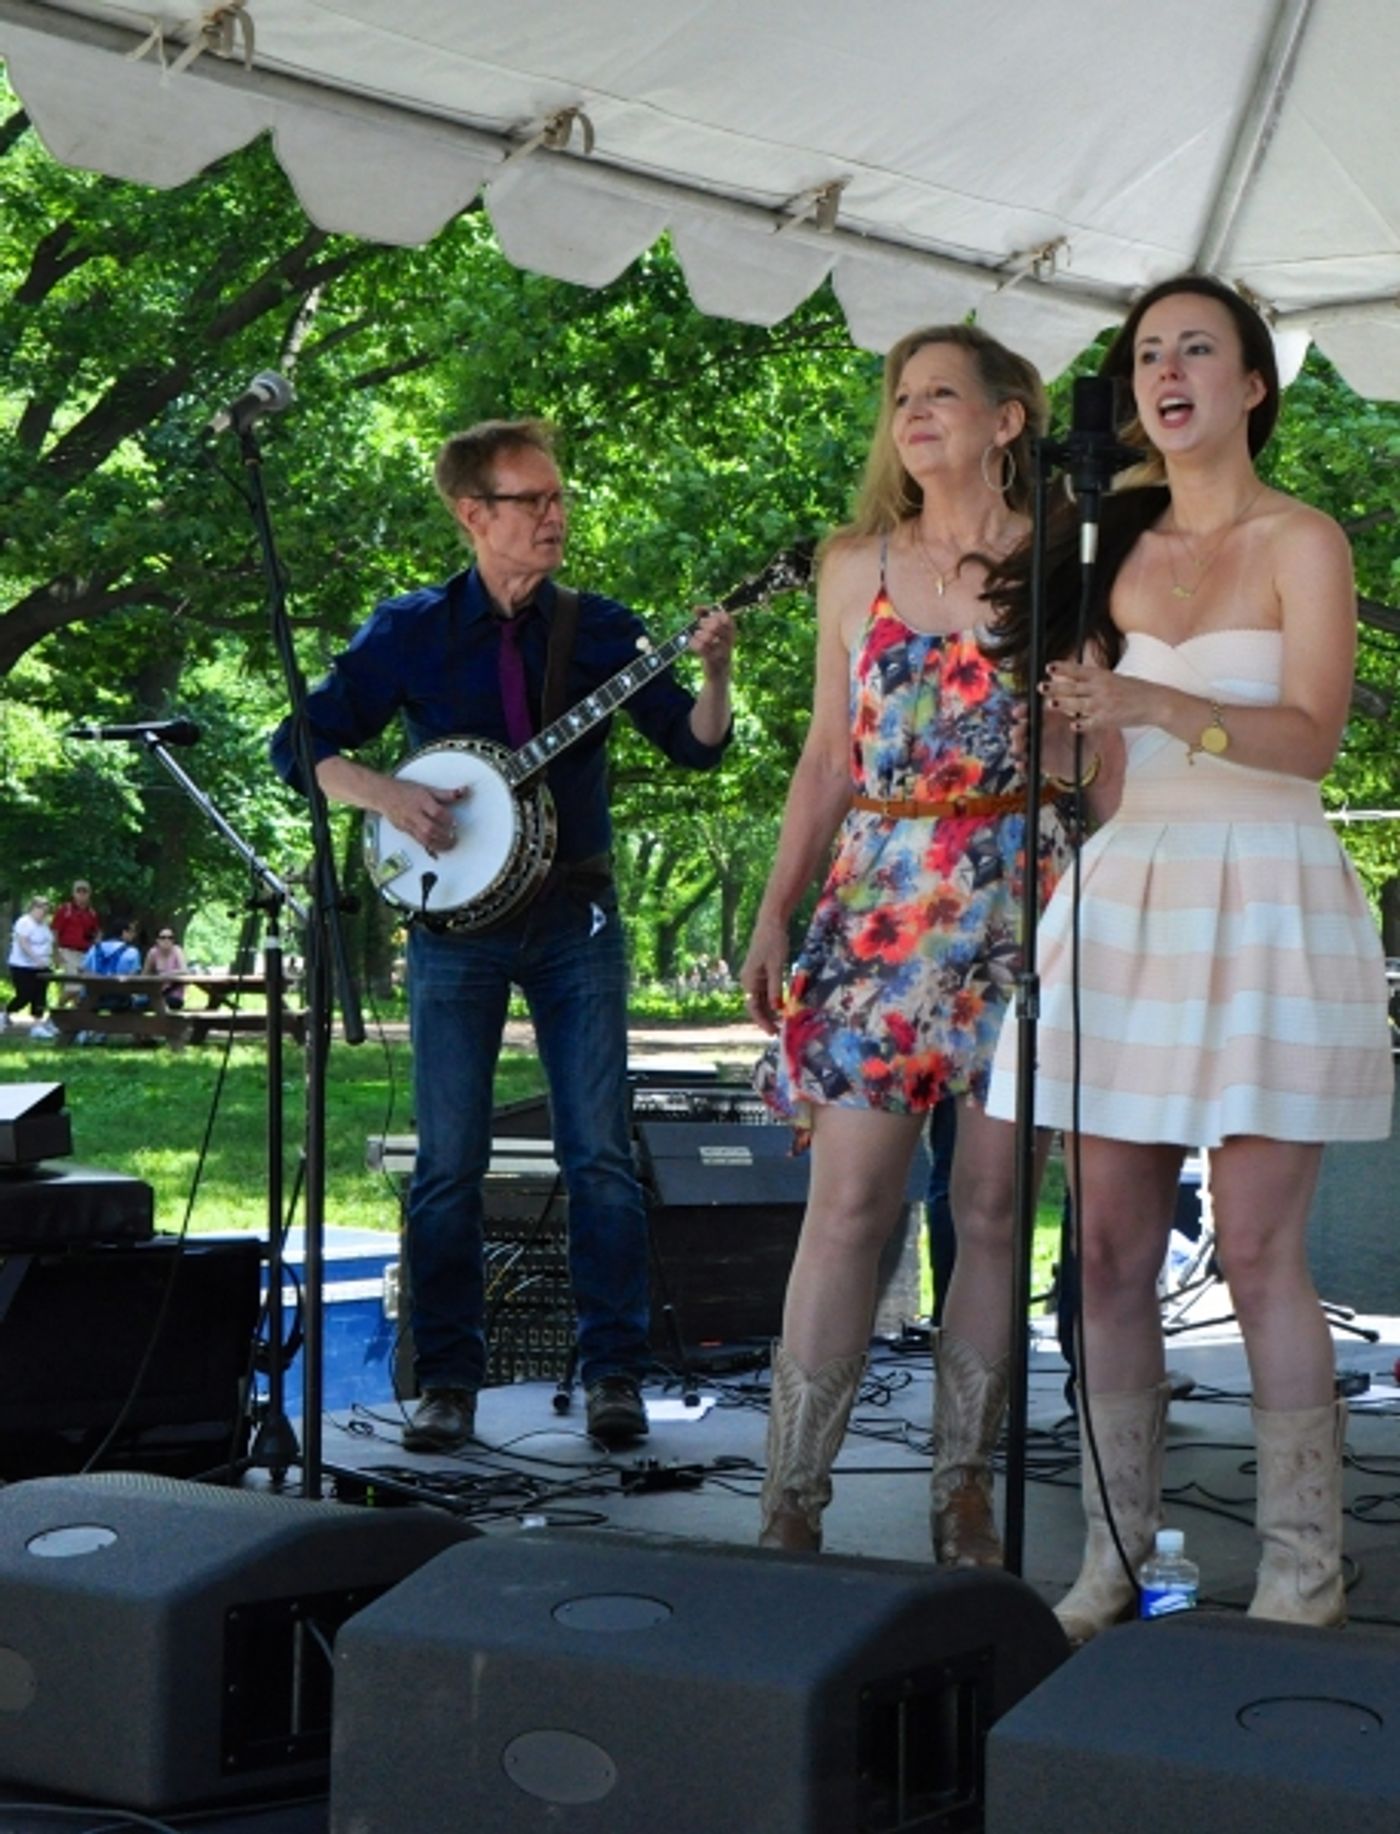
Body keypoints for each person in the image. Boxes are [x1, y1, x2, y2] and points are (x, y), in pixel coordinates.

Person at [983, 273, 1394, 1640]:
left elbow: (1312, 737)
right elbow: (1103, 778)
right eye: (1148, 352)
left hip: (1265, 888)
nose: (1167, 372)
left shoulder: (1303, 538)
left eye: (1196, 350)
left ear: (1253, 384)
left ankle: (1301, 1569)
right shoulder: (1111, 539)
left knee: (1265, 1247)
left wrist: (1160, 694)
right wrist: (1064, 740)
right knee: (1105, 1246)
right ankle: (1113, 1553)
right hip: (1135, 889)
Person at [270, 417, 735, 1454]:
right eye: (535, 501)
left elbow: (695, 749)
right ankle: (446, 1381)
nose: (557, 516)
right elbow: (299, 743)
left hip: (575, 917)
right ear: (474, 514)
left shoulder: (601, 627)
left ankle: (613, 1370)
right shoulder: (410, 630)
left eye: (561, 498)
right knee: (446, 1166)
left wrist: (713, 672)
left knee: (600, 1157)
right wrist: (385, 794)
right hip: (453, 930)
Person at [740, 324, 1082, 1561]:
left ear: (1006, 418)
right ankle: (791, 1494)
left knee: (990, 1207)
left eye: (939, 392)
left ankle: (962, 1487)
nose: (911, 412)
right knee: (847, 1208)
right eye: (899, 396)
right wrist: (774, 907)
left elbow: (1094, 756)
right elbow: (826, 756)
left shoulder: (1067, 559)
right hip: (879, 904)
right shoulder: (852, 564)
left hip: (1018, 902)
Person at [4, 895, 58, 1038]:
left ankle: (37, 1025)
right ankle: (5, 1013)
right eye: (42, 910)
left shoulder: (44, 925)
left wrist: (54, 958)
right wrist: (35, 958)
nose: (44, 913)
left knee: (40, 996)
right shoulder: (24, 922)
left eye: (46, 911)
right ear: (34, 908)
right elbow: (23, 943)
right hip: (22, 966)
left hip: (42, 967)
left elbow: (49, 943)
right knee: (25, 995)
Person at [51, 880, 101, 1005]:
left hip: (85, 953)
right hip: (68, 952)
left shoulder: (92, 913)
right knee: (73, 987)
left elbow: (97, 932)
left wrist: (97, 942)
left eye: (85, 891)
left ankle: (75, 1019)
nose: (81, 894)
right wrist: (55, 953)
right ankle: (55, 1013)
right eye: (78, 891)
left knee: (83, 989)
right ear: (73, 893)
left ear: (89, 894)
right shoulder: (65, 910)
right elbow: (54, 931)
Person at [144, 925, 188, 1008]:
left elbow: (185, 970)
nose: (167, 940)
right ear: (157, 940)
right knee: (136, 1004)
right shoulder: (153, 952)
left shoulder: (177, 951)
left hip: (174, 996)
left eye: (170, 938)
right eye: (163, 937)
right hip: (155, 994)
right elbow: (145, 974)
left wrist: (167, 974)